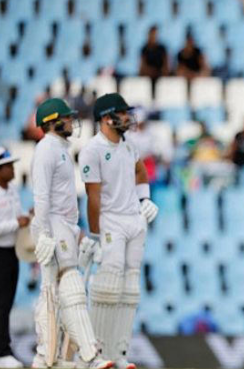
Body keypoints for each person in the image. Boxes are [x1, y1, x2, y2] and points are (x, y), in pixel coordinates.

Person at [31, 98, 113, 369]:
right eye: (66, 118)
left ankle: (54, 357)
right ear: (52, 122)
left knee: (62, 291)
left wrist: (78, 234)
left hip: (63, 226)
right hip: (52, 225)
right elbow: (42, 196)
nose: (71, 122)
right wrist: (43, 232)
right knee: (62, 290)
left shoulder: (62, 150)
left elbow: (65, 200)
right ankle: (78, 354)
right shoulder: (46, 149)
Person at [78, 93, 159, 369]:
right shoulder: (92, 149)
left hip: (134, 220)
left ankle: (119, 352)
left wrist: (144, 199)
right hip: (110, 220)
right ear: (106, 118)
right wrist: (96, 234)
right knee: (107, 287)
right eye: (122, 113)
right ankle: (96, 353)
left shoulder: (129, 144)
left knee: (130, 289)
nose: (128, 118)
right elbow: (93, 197)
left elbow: (140, 172)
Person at [0, 147, 29, 368]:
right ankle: (3, 351)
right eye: (8, 165)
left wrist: (28, 217)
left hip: (11, 252)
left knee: (7, 302)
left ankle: (4, 350)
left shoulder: (12, 190)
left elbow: (19, 218)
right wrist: (15, 224)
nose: (12, 169)